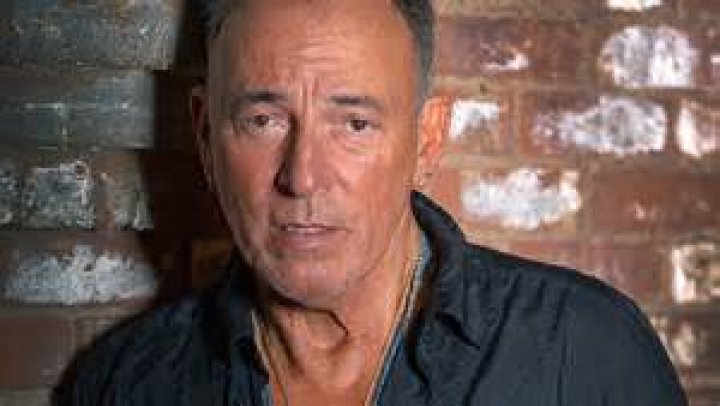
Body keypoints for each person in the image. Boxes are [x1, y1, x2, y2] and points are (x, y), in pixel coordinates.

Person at [55, 0, 687, 405]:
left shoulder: (584, 353)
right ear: (204, 136)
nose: (303, 177)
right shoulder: (125, 384)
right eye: (263, 120)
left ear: (427, 141)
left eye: (354, 124)